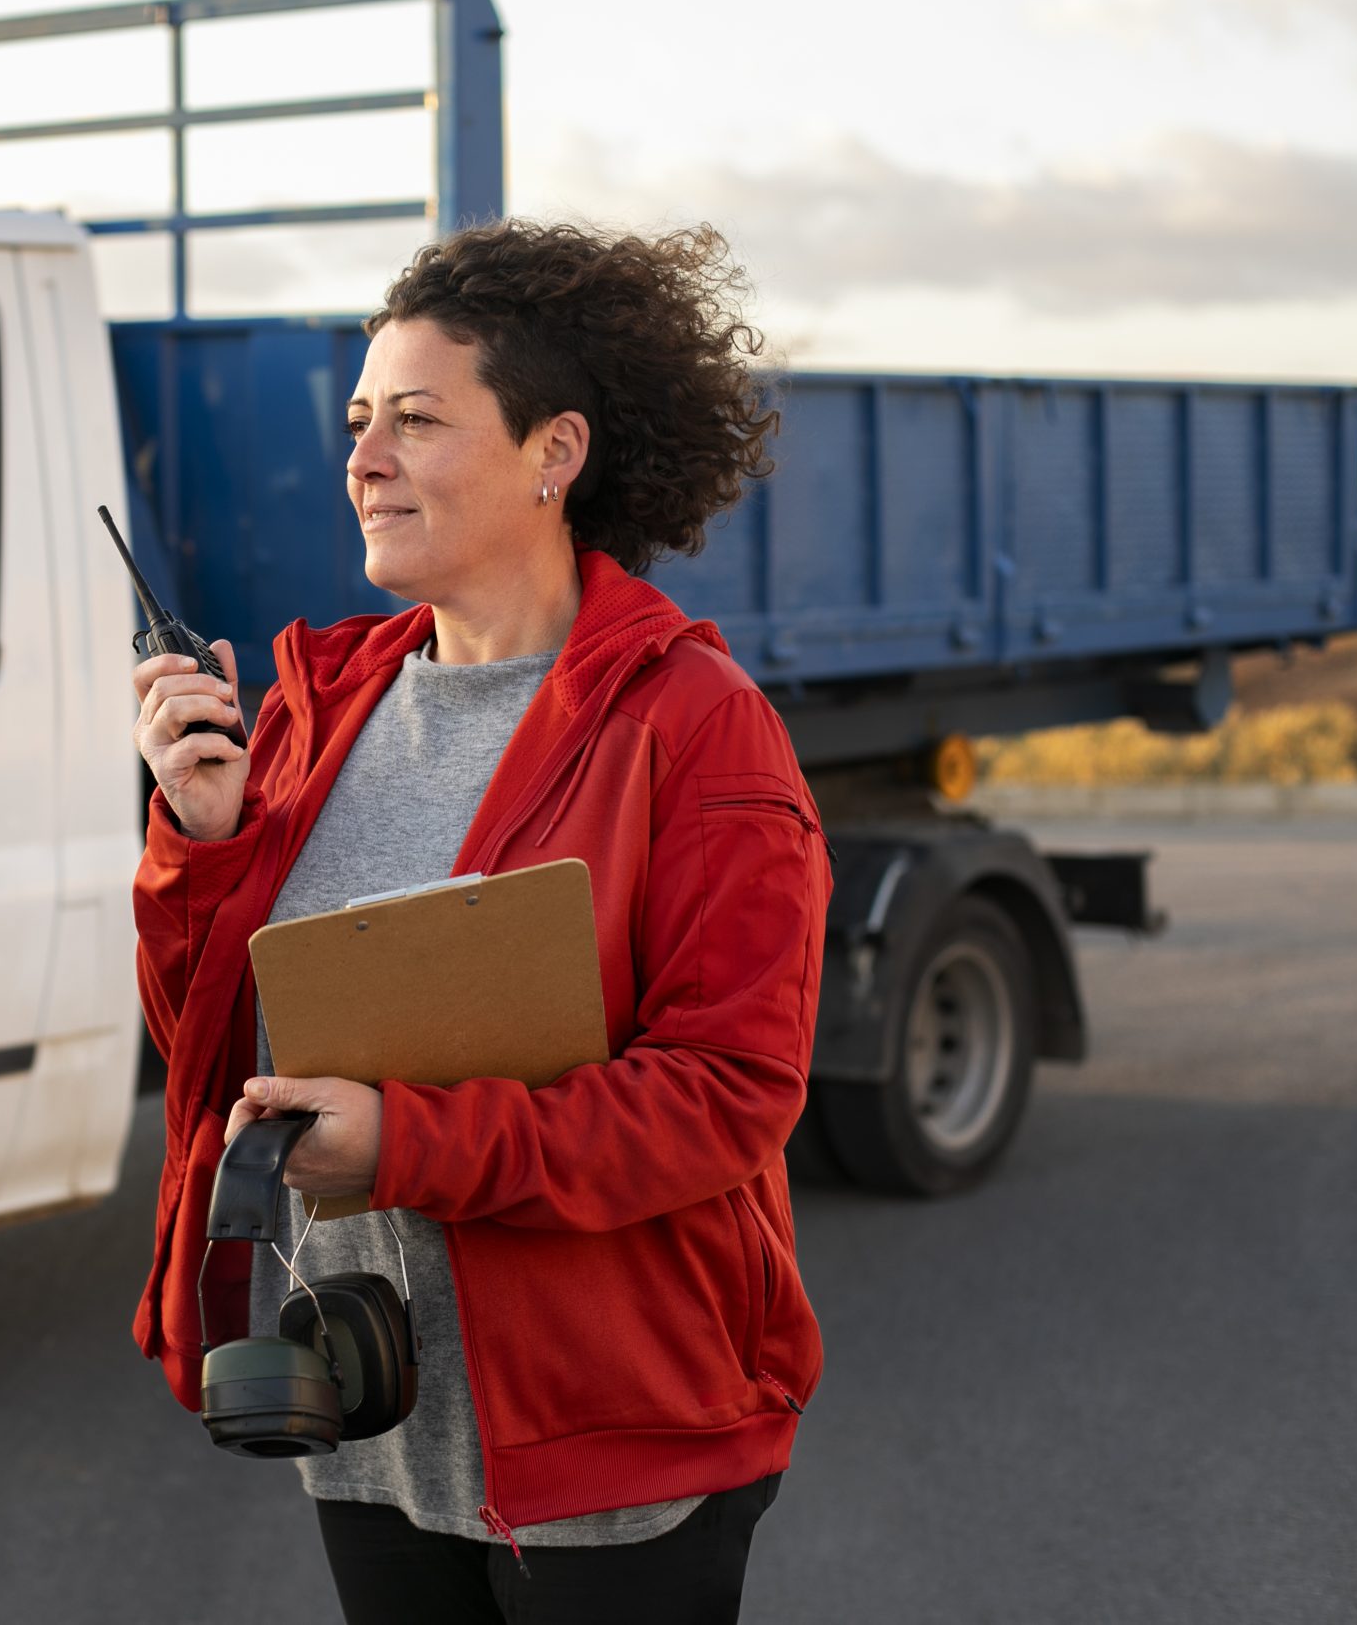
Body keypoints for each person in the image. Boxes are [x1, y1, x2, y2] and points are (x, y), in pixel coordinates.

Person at [129, 219, 833, 1624]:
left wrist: (410, 1141)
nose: (363, 458)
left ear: (553, 453)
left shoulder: (692, 726)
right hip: (372, 1396)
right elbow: (211, 1048)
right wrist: (201, 842)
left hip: (608, 1427)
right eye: (356, 421)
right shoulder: (316, 710)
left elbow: (727, 1096)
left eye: (417, 421)